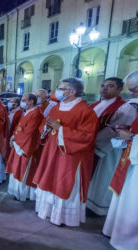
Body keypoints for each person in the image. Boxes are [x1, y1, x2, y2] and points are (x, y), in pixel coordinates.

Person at [33, 78, 98, 227]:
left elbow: (87, 137)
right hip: (51, 151)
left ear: (72, 91)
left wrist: (60, 129)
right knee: (49, 178)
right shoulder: (57, 107)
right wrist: (47, 128)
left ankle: (62, 217)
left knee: (63, 182)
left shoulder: (85, 111)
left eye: (61, 88)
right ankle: (47, 211)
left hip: (70, 155)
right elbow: (45, 124)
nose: (58, 90)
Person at [87, 77, 136, 216]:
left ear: (120, 90)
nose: (104, 88)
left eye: (110, 86)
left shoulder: (124, 107)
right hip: (89, 146)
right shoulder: (94, 104)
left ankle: (96, 208)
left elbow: (115, 129)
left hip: (106, 149)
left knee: (102, 177)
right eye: (103, 85)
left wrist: (92, 142)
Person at [103, 71, 138, 249]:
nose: (132, 93)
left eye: (135, 89)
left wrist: (131, 137)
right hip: (131, 158)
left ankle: (129, 241)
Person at [6, 93, 44, 201]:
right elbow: (19, 127)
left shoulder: (36, 114)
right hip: (19, 143)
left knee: (23, 170)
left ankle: (24, 194)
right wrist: (13, 136)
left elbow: (29, 133)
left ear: (31, 101)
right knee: (16, 169)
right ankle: (16, 192)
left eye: (24, 100)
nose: (21, 102)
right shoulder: (28, 112)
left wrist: (16, 140)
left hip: (26, 146)